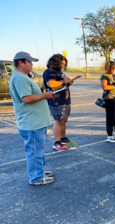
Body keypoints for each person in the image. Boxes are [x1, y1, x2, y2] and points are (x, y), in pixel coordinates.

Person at [9, 51, 55, 185]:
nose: (32, 65)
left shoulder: (22, 76)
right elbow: (26, 99)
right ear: (21, 62)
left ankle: (38, 171)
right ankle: (36, 177)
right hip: (31, 122)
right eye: (29, 62)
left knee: (37, 149)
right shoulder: (19, 78)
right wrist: (44, 96)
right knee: (34, 150)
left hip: (35, 121)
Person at [43, 54, 73, 151]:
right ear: (56, 62)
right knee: (59, 121)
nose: (63, 66)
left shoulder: (59, 72)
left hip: (65, 99)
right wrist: (63, 81)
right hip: (56, 101)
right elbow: (51, 84)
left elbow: (61, 85)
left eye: (64, 64)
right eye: (62, 64)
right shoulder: (49, 71)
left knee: (64, 120)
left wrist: (68, 82)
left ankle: (63, 138)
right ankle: (57, 142)